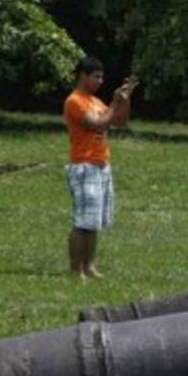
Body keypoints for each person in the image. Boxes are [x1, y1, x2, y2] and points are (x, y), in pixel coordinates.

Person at [63, 56, 139, 280]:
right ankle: (76, 270)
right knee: (82, 222)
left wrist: (125, 99)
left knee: (93, 221)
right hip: (83, 165)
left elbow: (119, 121)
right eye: (96, 76)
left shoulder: (95, 102)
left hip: (101, 165)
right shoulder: (75, 101)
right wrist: (114, 103)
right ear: (82, 76)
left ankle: (90, 266)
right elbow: (98, 124)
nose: (100, 81)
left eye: (102, 76)